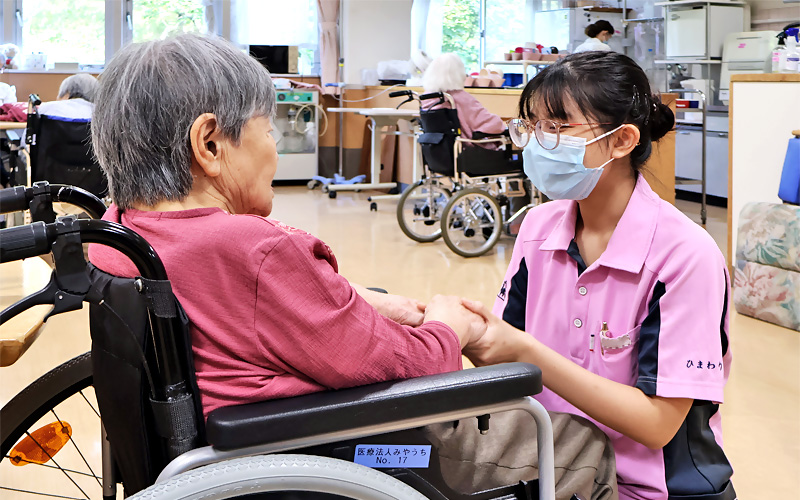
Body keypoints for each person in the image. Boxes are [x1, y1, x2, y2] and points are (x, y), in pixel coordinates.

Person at [88, 34, 618, 500]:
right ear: (209, 144)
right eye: (268, 129)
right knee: (578, 442)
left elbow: (245, 310)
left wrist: (356, 298)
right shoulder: (255, 251)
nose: (275, 147)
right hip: (342, 453)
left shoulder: (122, 232)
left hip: (214, 448)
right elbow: (416, 367)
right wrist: (448, 327)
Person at [462, 51, 736, 500]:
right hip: (551, 467)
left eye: (557, 127)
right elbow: (506, 360)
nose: (537, 144)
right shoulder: (538, 228)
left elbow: (657, 424)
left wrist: (525, 351)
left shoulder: (684, 255)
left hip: (646, 488)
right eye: (531, 126)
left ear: (622, 139)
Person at [423, 53, 506, 148]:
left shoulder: (427, 98)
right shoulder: (462, 98)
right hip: (467, 150)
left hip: (436, 150)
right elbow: (492, 124)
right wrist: (501, 124)